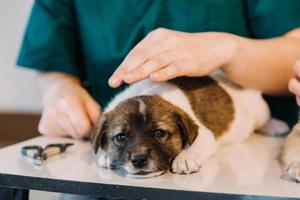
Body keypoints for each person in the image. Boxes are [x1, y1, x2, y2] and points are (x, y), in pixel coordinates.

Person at [11, 0, 300, 199]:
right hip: (104, 175)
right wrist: (59, 90)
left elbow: (295, 50)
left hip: (250, 164)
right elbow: (52, 57)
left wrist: (230, 49)